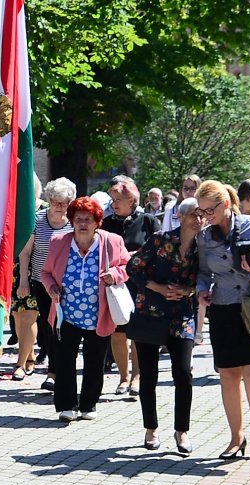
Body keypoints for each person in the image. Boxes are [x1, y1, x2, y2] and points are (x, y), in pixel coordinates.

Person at [194, 180, 250, 460]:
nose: (205, 217)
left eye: (209, 210)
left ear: (224, 205)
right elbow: (202, 271)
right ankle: (236, 436)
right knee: (228, 375)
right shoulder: (204, 237)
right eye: (201, 211)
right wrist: (201, 291)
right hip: (223, 309)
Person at [37, 195, 130, 423]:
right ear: (72, 221)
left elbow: (128, 266)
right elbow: (45, 272)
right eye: (78, 219)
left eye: (88, 219)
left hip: (98, 314)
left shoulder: (111, 242)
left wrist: (115, 275)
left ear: (97, 221)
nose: (83, 223)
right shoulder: (59, 242)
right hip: (66, 314)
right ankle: (67, 405)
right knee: (64, 361)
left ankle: (89, 404)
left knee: (95, 361)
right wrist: (51, 288)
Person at [127, 197, 202, 453]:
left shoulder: (204, 246)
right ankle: (151, 428)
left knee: (183, 374)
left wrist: (188, 290)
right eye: (194, 214)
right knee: (149, 375)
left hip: (182, 316)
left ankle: (182, 431)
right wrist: (158, 288)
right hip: (151, 312)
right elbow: (133, 268)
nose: (199, 219)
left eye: (202, 214)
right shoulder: (160, 239)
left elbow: (206, 281)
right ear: (180, 217)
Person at [101, 176, 157, 395]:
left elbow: (158, 250)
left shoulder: (148, 221)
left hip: (141, 284)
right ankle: (123, 377)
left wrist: (134, 257)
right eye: (112, 199)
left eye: (119, 199)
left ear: (132, 200)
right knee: (117, 332)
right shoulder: (106, 223)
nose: (114, 203)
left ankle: (137, 376)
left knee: (138, 333)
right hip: (116, 285)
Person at [22, 178, 75, 386]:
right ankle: (53, 371)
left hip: (68, 284)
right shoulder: (37, 220)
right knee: (49, 326)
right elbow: (26, 253)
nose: (60, 207)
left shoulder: (74, 221)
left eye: (65, 203)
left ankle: (60, 371)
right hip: (41, 281)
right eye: (56, 202)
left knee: (66, 328)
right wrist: (23, 282)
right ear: (49, 199)